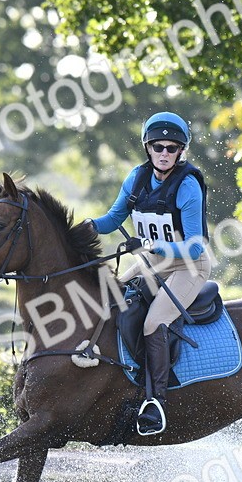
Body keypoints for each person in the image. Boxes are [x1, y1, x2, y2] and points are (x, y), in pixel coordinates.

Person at [85, 111, 211, 436]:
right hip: (151, 264)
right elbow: (113, 219)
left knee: (155, 321)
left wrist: (156, 248)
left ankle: (156, 403)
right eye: (158, 147)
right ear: (148, 147)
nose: (165, 153)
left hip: (188, 267)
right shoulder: (137, 179)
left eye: (172, 147)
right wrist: (86, 226)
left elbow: (196, 247)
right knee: (106, 294)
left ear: (181, 151)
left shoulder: (187, 186)